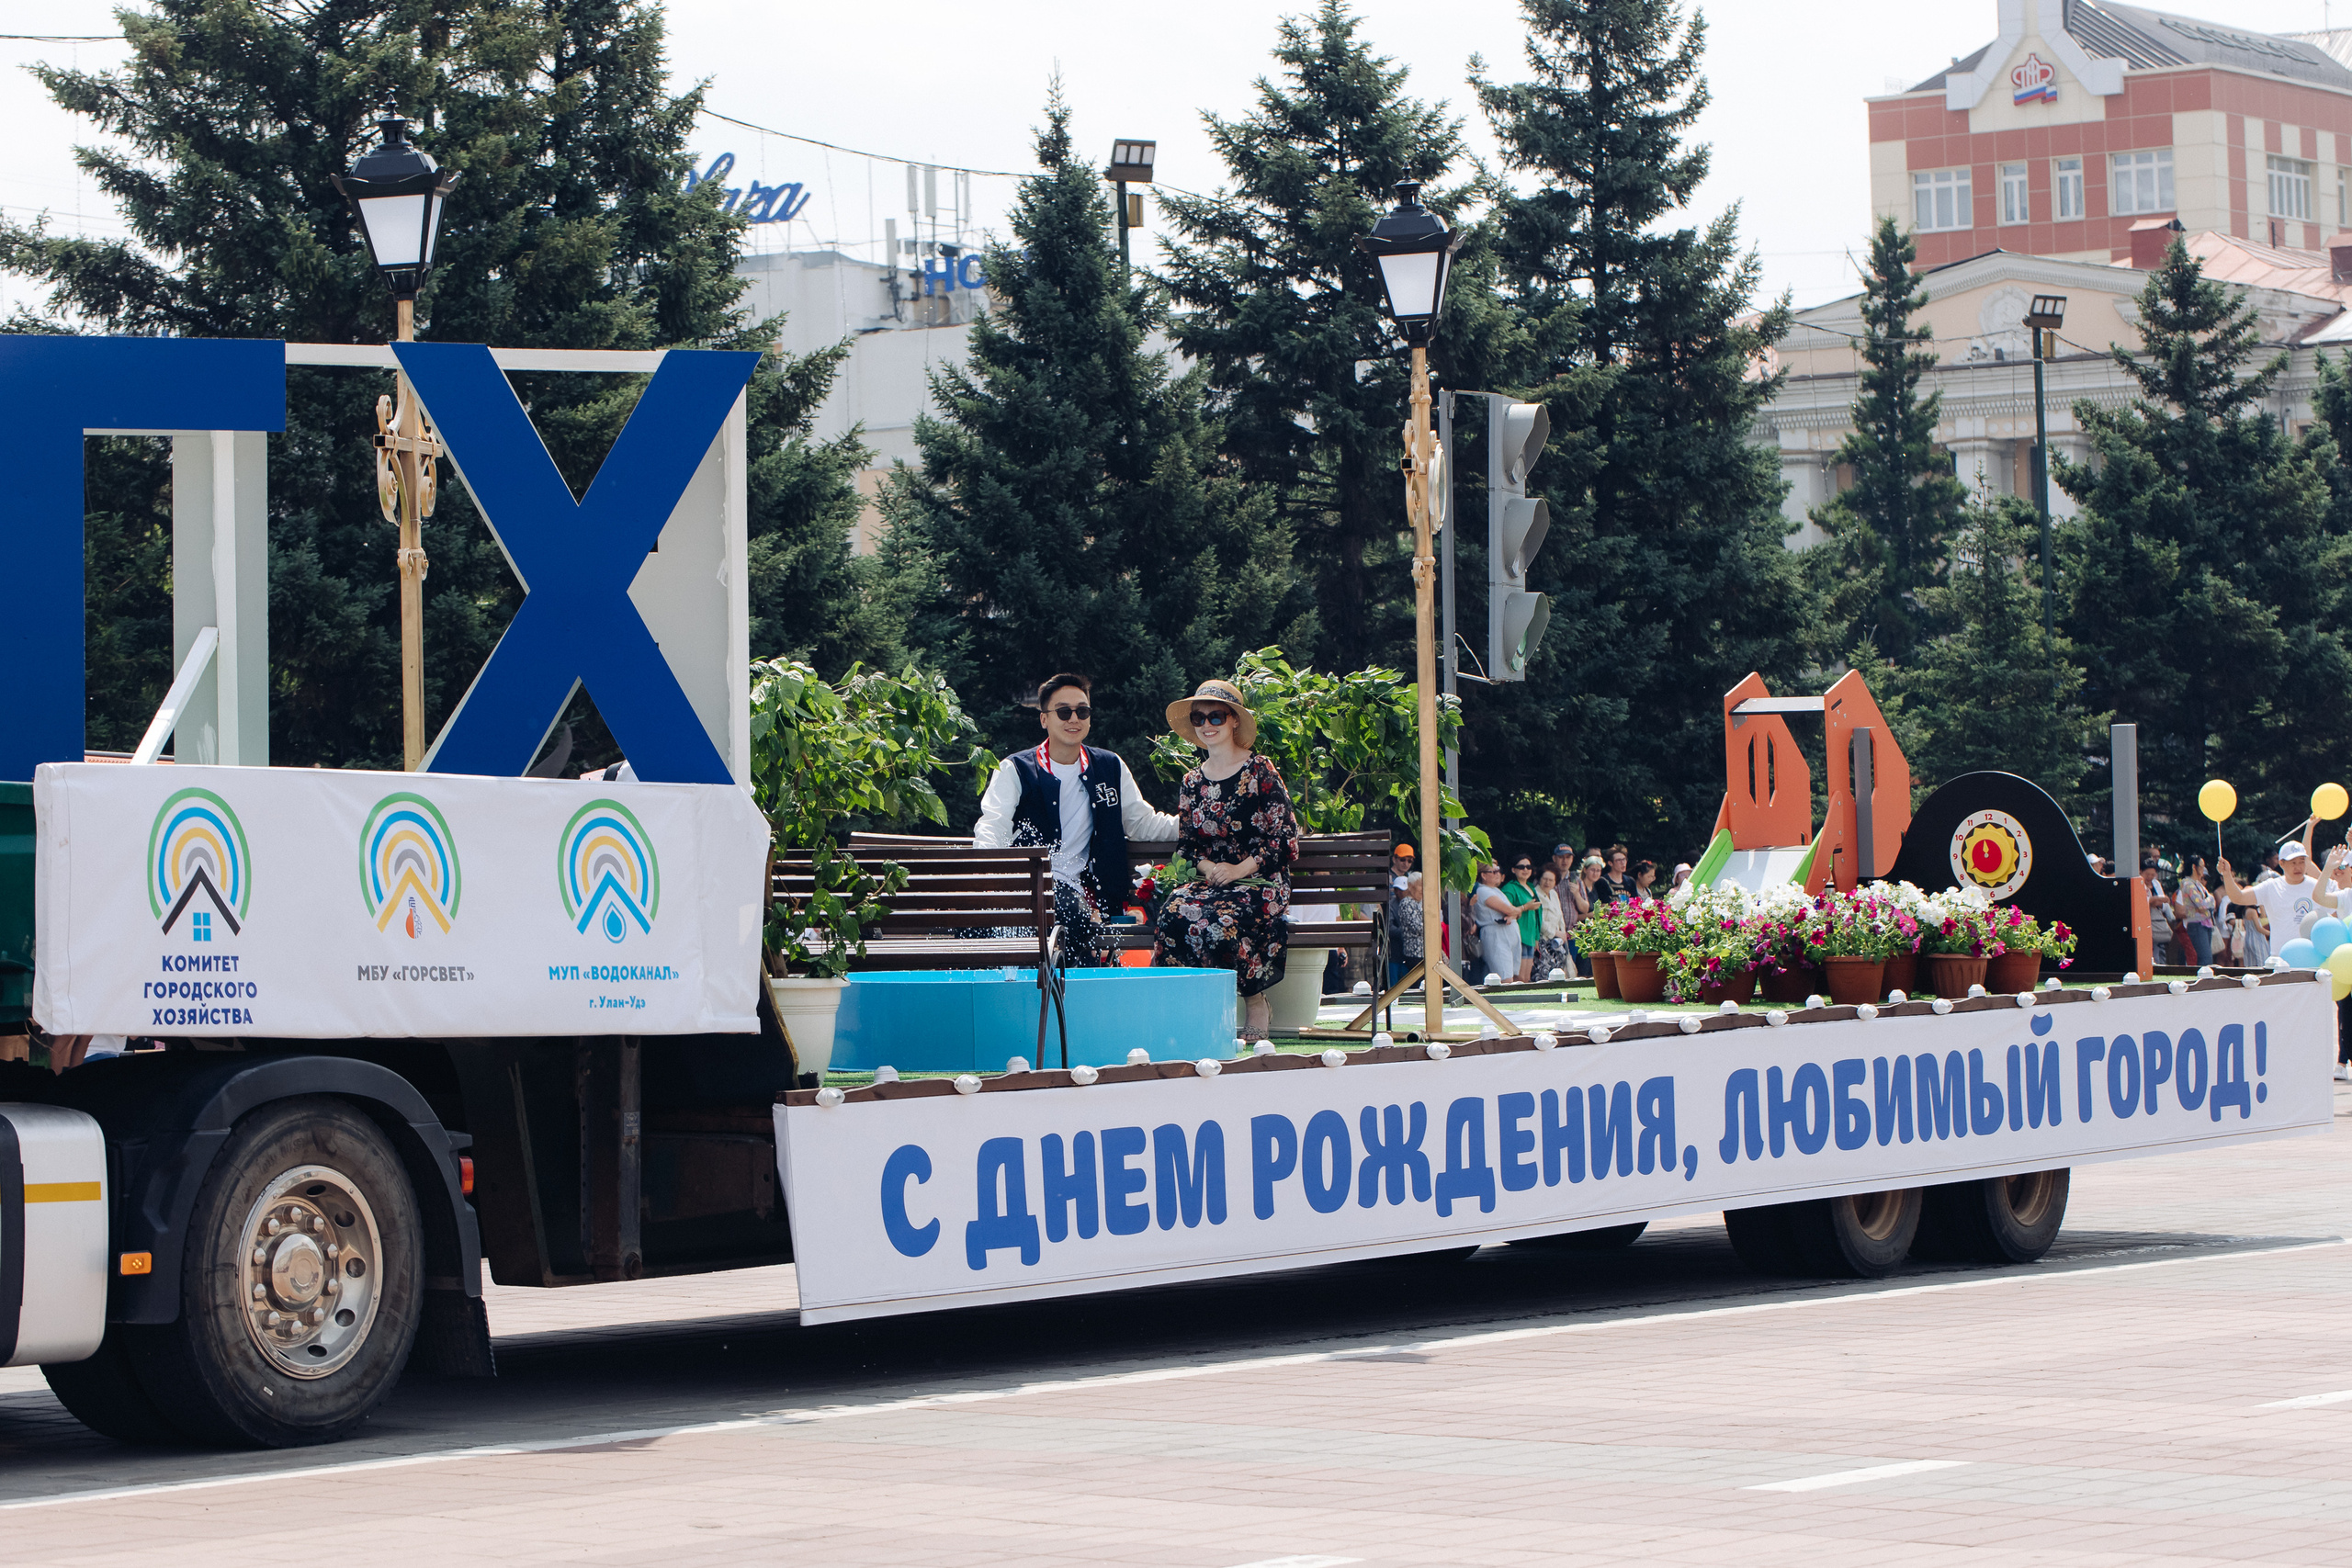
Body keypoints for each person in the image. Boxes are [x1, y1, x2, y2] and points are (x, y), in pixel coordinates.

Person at [975, 671, 1178, 969]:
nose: (1074, 718)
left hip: (1081, 896)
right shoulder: (1016, 768)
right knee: (978, 924)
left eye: (1082, 711)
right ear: (1044, 718)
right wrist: (990, 878)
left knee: (1070, 914)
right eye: (1063, 711)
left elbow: (1141, 823)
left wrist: (1196, 823)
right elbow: (994, 825)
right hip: (1027, 887)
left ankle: (1062, 1004)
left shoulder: (1109, 766)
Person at [1151, 678, 1302, 1040]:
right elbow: (1187, 848)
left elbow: (1285, 839)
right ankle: (1189, 1011)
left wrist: (1238, 870)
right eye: (1199, 718)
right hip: (1213, 881)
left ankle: (1254, 1000)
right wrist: (1212, 870)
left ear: (1234, 720)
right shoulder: (1191, 782)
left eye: (1216, 717)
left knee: (1217, 919)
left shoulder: (1260, 771)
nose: (1207, 726)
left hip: (1260, 881)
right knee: (1173, 910)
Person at [2220, 829, 2346, 961]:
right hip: (2280, 959)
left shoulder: (2317, 887)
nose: (2298, 867)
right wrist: (2227, 875)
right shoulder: (2271, 887)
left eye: (2302, 861)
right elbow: (2238, 897)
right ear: (2281, 863)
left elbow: (2339, 908)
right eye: (2293, 862)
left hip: (2313, 959)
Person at [1467, 862, 1522, 987]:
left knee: (1511, 976)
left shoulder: (1496, 891)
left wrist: (1514, 913)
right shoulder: (1483, 891)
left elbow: (1517, 911)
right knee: (1505, 978)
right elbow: (1510, 909)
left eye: (1498, 870)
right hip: (1496, 934)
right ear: (1484, 876)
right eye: (1493, 872)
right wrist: (1514, 912)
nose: (1498, 874)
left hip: (1507, 933)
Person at [1531, 866, 1574, 980]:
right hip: (1542, 940)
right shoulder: (1535, 894)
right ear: (1539, 879)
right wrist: (1555, 932)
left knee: (1558, 972)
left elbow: (1560, 916)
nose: (1547, 882)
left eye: (1551, 880)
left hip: (1556, 942)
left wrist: (1563, 934)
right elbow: (1538, 919)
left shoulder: (1554, 894)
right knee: (1542, 973)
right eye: (1545, 879)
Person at [1504, 855, 1543, 981]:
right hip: (1517, 936)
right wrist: (1526, 907)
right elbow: (1506, 911)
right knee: (1518, 976)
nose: (1525, 869)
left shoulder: (1531, 887)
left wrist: (1537, 937)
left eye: (1528, 867)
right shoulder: (1510, 888)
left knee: (1526, 977)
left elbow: (1537, 914)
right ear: (1513, 870)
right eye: (1521, 867)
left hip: (1530, 936)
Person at [2176, 855, 2219, 968]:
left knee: (2207, 957)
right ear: (2194, 867)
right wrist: (2210, 899)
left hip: (2204, 923)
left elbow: (2208, 902)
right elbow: (2202, 904)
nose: (2203, 870)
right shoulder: (2188, 884)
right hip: (2196, 924)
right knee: (2205, 958)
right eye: (2201, 866)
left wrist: (2209, 900)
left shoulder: (2198, 884)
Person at [1592, 844, 1634, 908]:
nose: (1623, 863)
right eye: (1619, 860)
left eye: (1624, 859)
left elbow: (1635, 903)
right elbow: (1604, 905)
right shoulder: (1603, 882)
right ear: (1610, 863)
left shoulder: (1630, 881)